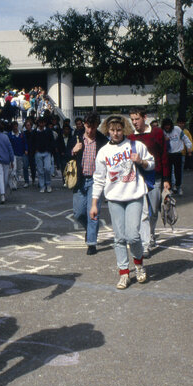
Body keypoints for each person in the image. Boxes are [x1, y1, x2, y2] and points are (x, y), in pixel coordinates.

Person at [90, 115, 154, 289]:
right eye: (112, 130)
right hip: (114, 199)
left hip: (134, 195)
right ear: (107, 130)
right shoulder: (103, 152)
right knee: (119, 238)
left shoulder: (136, 145)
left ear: (124, 129)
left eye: (119, 130)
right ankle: (124, 273)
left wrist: (141, 161)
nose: (116, 133)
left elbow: (152, 163)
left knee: (133, 235)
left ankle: (139, 265)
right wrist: (95, 203)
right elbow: (99, 179)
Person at [128, 109, 170, 258]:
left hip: (156, 177)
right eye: (132, 119)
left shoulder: (157, 133)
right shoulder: (130, 137)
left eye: (137, 119)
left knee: (153, 210)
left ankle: (151, 233)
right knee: (143, 212)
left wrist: (166, 179)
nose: (134, 122)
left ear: (144, 118)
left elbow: (164, 156)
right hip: (138, 179)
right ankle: (145, 242)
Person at [70, 112, 107, 255]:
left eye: (93, 127)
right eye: (87, 126)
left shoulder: (102, 140)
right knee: (78, 213)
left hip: (95, 181)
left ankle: (91, 243)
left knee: (92, 212)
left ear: (97, 126)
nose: (90, 130)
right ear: (84, 124)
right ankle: (90, 229)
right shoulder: (77, 137)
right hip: (79, 180)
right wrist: (74, 150)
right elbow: (65, 154)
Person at [163, 117, 192, 195]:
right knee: (168, 173)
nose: (167, 127)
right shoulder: (163, 132)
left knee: (178, 172)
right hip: (168, 154)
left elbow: (185, 138)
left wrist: (189, 147)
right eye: (165, 126)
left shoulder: (177, 129)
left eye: (168, 125)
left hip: (178, 153)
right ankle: (171, 188)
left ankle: (179, 187)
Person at [29, 116, 55, 193]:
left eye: (43, 123)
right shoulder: (34, 132)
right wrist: (34, 151)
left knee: (47, 168)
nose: (41, 124)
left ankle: (48, 184)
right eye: (40, 123)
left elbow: (52, 141)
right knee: (40, 171)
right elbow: (31, 142)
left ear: (45, 123)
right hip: (38, 153)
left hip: (47, 152)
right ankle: (42, 186)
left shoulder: (48, 131)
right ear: (38, 123)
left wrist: (50, 150)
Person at [8, 120, 29, 189]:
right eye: (14, 126)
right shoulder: (10, 135)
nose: (15, 128)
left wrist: (26, 149)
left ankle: (16, 181)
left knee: (19, 170)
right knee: (14, 169)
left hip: (21, 153)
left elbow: (25, 142)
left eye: (16, 126)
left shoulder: (21, 134)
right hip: (13, 154)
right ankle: (14, 184)